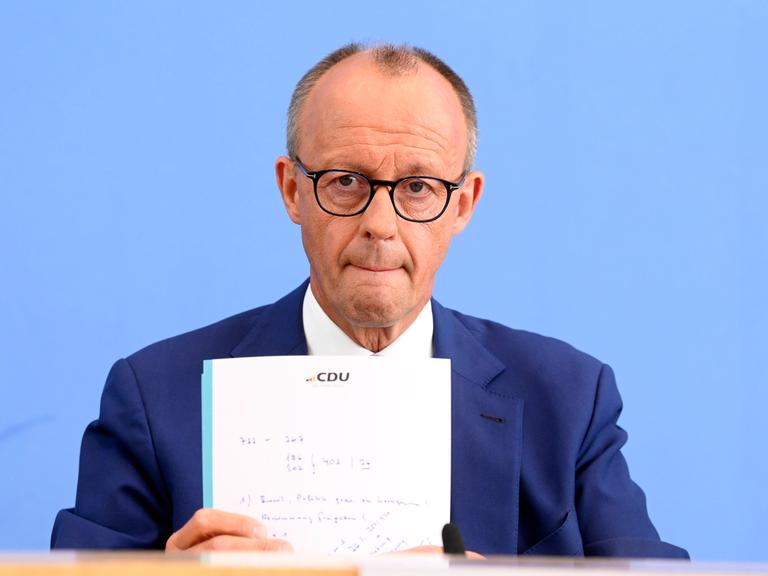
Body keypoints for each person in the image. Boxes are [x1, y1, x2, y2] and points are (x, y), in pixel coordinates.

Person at [51, 43, 688, 558]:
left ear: (462, 204)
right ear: (293, 191)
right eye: (347, 181)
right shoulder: (155, 398)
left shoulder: (570, 399)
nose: (380, 223)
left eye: (417, 187)